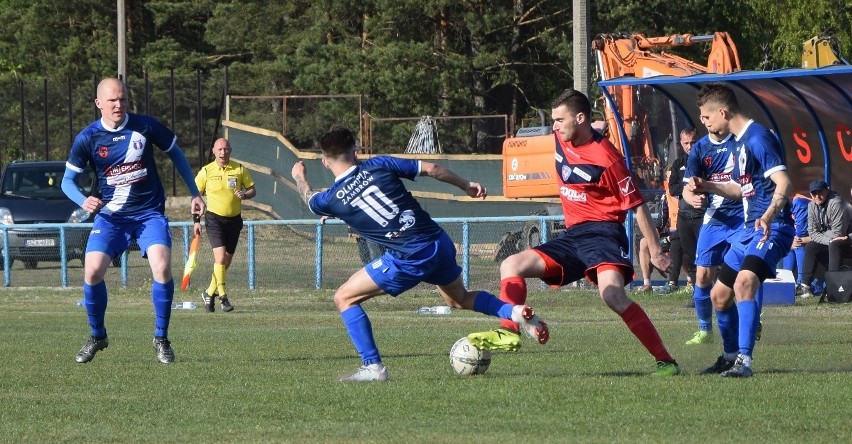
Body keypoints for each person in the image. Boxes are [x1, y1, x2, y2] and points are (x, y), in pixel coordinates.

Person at [290, 125, 549, 383]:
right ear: (355, 152)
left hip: (408, 257)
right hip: (438, 242)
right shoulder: (379, 164)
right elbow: (432, 169)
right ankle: (514, 313)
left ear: (324, 162)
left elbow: (309, 197)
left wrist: (299, 176)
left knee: (344, 297)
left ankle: (373, 367)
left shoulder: (330, 199)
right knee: (458, 299)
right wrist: (466, 184)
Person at [468, 89, 680, 377]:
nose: (554, 126)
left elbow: (638, 206)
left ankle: (666, 362)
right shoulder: (562, 136)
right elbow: (592, 127)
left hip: (603, 234)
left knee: (612, 296)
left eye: (559, 120)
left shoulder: (609, 159)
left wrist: (655, 251)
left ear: (579, 118)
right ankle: (510, 331)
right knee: (511, 265)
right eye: (553, 120)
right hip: (572, 236)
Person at [61, 77, 206, 364]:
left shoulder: (145, 125)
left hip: (148, 213)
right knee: (92, 272)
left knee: (162, 267)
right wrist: (82, 199)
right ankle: (97, 336)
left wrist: (194, 193)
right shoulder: (88, 138)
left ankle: (161, 338)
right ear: (99, 103)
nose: (118, 104)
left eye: (123, 99)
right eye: (112, 100)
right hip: (112, 218)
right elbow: (67, 181)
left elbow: (176, 154)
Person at [686, 83, 793, 377]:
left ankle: (744, 361)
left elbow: (784, 183)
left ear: (722, 112)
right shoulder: (737, 142)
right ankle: (730, 355)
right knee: (719, 295)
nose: (705, 124)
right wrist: (707, 185)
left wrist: (769, 215)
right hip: (749, 229)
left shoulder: (758, 138)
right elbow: (740, 190)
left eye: (707, 118)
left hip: (774, 228)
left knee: (744, 282)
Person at [681, 129, 742, 346]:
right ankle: (705, 330)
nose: (705, 121)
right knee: (703, 276)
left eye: (707, 116)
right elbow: (687, 188)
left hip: (743, 218)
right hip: (715, 220)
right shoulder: (700, 148)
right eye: (702, 117)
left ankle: (753, 322)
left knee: (745, 274)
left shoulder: (740, 141)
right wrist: (692, 199)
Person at [194, 138, 256, 312]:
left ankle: (208, 292)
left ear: (230, 150)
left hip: (234, 220)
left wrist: (245, 194)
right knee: (220, 258)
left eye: (226, 149)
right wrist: (196, 221)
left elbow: (252, 189)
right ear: (214, 151)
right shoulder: (206, 171)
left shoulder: (239, 169)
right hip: (214, 219)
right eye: (220, 149)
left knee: (225, 262)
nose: (223, 152)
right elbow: (195, 197)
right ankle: (223, 297)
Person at [661, 128, 702, 294]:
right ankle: (695, 291)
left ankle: (708, 287)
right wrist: (687, 188)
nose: (690, 146)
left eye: (693, 142)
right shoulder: (679, 164)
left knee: (703, 253)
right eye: (686, 143)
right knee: (689, 252)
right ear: (681, 144)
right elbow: (672, 189)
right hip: (684, 216)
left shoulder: (705, 161)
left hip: (701, 215)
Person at [796, 180, 851, 298]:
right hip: (832, 240)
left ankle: (833, 286)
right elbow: (813, 233)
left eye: (820, 192)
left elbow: (838, 233)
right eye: (813, 193)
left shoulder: (836, 202)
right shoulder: (811, 205)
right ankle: (805, 286)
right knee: (812, 246)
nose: (817, 196)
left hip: (848, 239)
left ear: (827, 190)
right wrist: (827, 240)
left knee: (834, 244)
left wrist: (825, 238)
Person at [784, 193, 812, 291]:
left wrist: (793, 239)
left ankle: (801, 283)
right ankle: (786, 282)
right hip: (799, 235)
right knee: (789, 247)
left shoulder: (799, 202)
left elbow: (801, 231)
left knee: (798, 243)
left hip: (816, 235)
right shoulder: (781, 204)